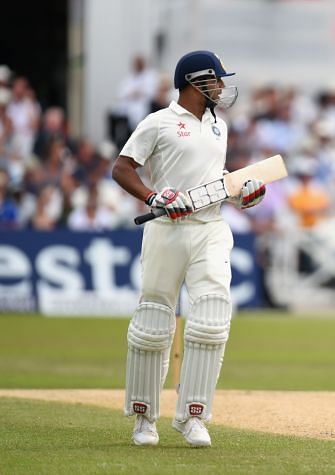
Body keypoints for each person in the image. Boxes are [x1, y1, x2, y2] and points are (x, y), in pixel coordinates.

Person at [111, 50, 266, 447]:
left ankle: (193, 417)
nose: (221, 87)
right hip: (167, 228)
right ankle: (144, 419)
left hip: (211, 227)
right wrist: (152, 196)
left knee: (212, 317)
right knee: (153, 322)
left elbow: (215, 180)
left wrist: (241, 195)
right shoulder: (158, 123)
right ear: (196, 81)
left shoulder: (219, 126)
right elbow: (122, 167)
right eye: (216, 80)